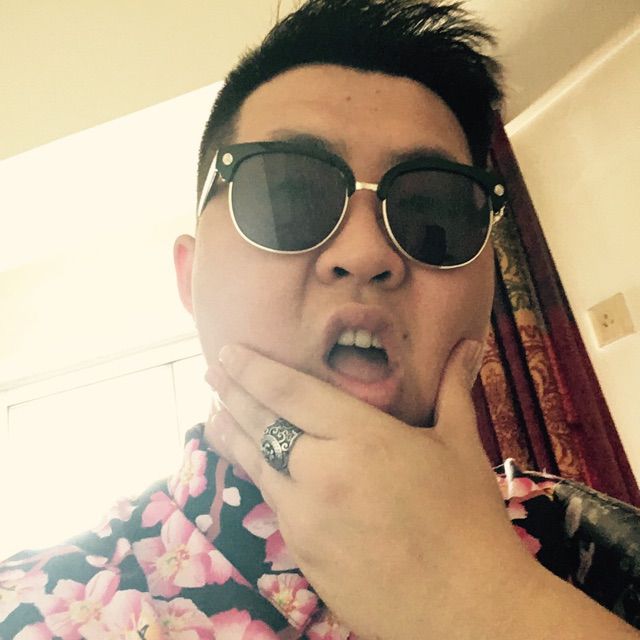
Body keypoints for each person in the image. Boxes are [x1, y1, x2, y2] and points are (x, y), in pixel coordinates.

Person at [1, 1, 639, 638]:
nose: (365, 253)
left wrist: (486, 601)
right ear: (190, 278)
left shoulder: (599, 547)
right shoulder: (35, 610)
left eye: (432, 213)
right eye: (287, 195)